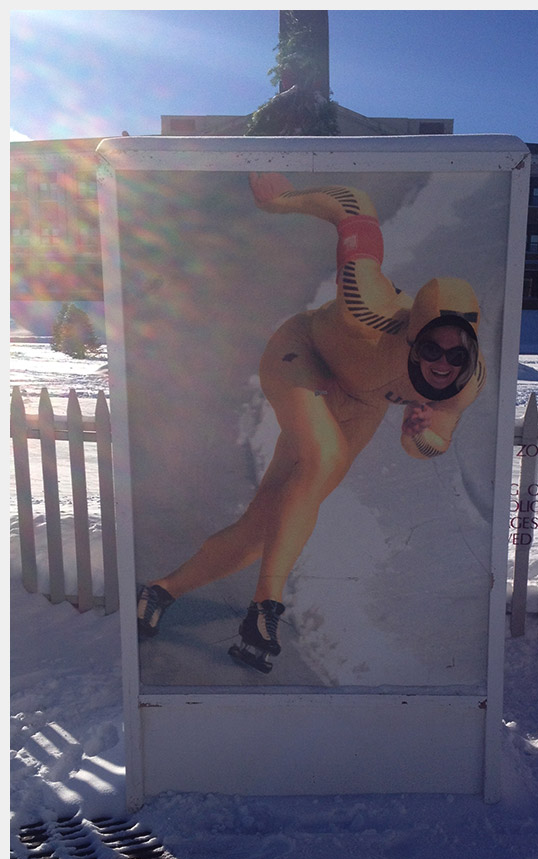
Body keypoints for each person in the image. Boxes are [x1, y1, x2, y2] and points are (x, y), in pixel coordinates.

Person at [137, 173, 486, 671]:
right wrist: (280, 202)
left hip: (359, 403)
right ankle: (265, 608)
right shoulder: (367, 305)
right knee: (325, 456)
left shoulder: (467, 383)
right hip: (303, 353)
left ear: (472, 352)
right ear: (409, 335)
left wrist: (419, 433)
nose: (442, 365)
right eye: (430, 348)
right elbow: (354, 207)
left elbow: (433, 443)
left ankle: (160, 592)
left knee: (266, 527)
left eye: (457, 354)